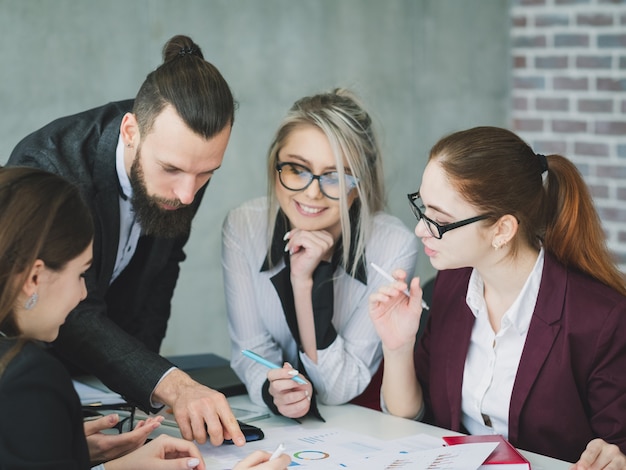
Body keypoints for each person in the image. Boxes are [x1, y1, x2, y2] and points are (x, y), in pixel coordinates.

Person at [7, 35, 244, 445]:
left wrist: (143, 395)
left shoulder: (186, 165)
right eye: (171, 169)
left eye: (207, 174)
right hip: (26, 377)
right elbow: (66, 308)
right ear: (131, 130)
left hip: (101, 393)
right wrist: (171, 384)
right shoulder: (51, 166)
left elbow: (161, 271)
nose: (188, 193)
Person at [0, 167, 291, 470]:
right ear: (34, 278)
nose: (83, 294)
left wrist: (84, 458)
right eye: (80, 273)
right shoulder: (27, 377)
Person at [368, 126, 626, 467]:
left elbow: (616, 447)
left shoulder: (600, 318)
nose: (420, 230)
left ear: (502, 230)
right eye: (422, 209)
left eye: (439, 221)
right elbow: (412, 418)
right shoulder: (449, 286)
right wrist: (398, 347)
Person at [223, 89, 419, 419]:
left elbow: (337, 388)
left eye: (335, 176)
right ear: (275, 167)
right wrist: (273, 390)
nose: (313, 192)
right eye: (297, 169)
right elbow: (250, 351)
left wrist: (303, 284)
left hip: (359, 422)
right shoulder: (243, 227)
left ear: (360, 184)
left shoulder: (393, 244)